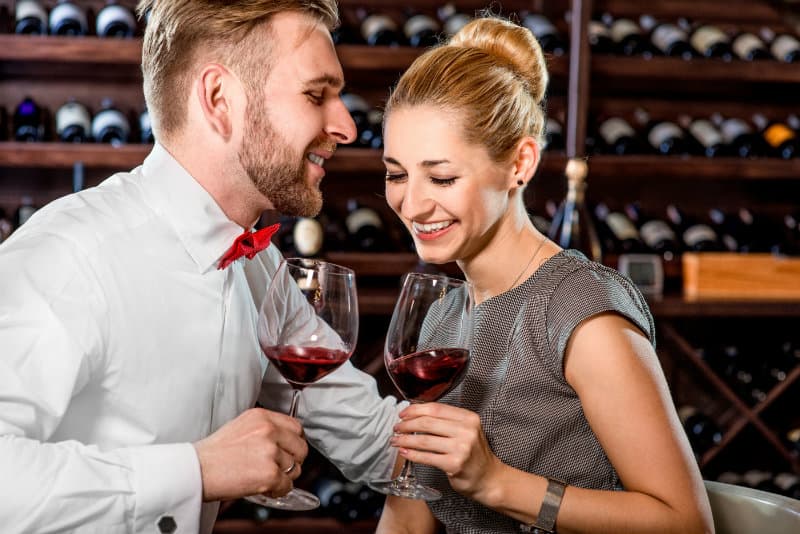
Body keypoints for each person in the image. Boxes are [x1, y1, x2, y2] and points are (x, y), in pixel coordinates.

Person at [0, 1, 401, 532]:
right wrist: (197, 471)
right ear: (219, 99)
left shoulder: (260, 267)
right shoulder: (69, 255)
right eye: (315, 94)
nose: (347, 124)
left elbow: (374, 440)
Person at [375, 16, 715, 534]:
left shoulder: (581, 313)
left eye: (441, 176)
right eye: (397, 173)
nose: (412, 203)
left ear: (520, 163)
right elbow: (407, 514)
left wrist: (495, 483)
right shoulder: (443, 317)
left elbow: (687, 524)